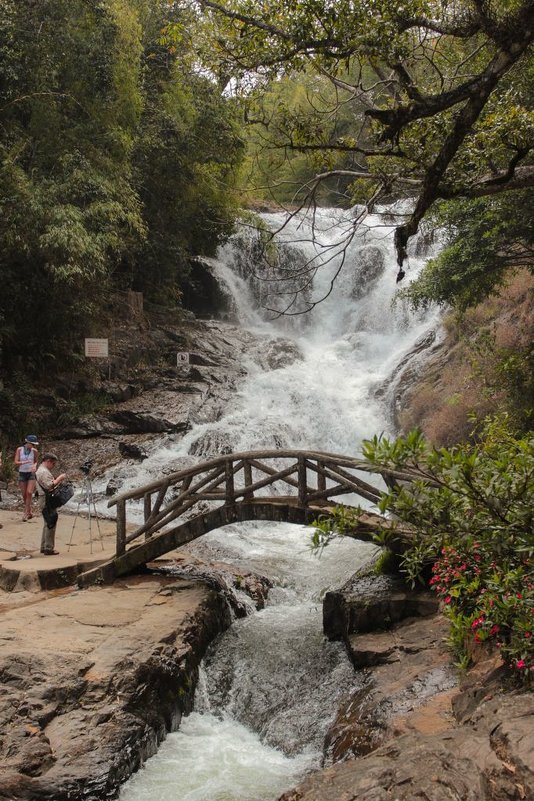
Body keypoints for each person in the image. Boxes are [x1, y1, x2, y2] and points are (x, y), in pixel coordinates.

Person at [36, 453, 67, 555]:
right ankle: (48, 548)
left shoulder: (41, 470)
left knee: (47, 522)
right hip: (46, 499)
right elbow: (49, 486)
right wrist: (60, 478)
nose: (53, 466)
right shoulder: (43, 472)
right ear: (48, 461)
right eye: (53, 464)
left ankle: (44, 546)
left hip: (44, 499)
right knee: (51, 522)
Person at [14, 435, 39, 521]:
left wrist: (35, 466)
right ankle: (29, 511)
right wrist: (24, 462)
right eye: (31, 444)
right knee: (24, 494)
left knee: (29, 492)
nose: (32, 445)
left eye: (33, 444)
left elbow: (36, 461)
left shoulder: (35, 451)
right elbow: (16, 462)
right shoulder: (19, 449)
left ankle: (25, 513)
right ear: (27, 442)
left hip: (31, 473)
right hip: (22, 473)